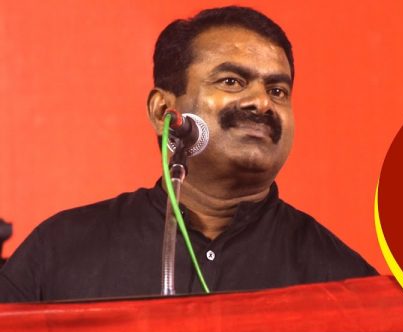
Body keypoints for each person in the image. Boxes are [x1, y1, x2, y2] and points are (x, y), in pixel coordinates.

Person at [0, 6, 377, 302]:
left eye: (278, 90)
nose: (262, 102)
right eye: (232, 81)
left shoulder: (343, 280)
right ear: (163, 112)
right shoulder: (60, 250)